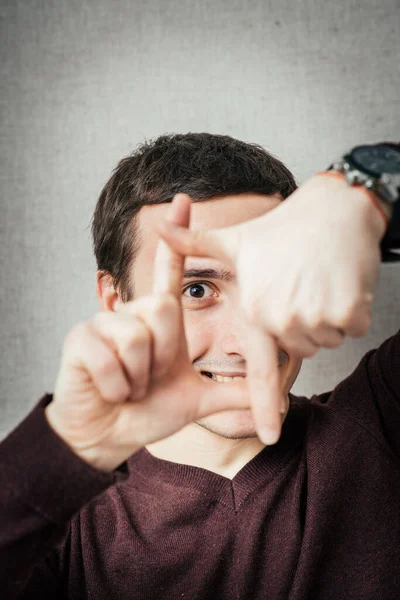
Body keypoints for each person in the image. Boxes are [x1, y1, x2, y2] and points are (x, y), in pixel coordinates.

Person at [1, 133, 399, 600]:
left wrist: (361, 190)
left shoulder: (380, 419)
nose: (246, 343)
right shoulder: (58, 519)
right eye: (197, 290)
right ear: (115, 300)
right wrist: (66, 451)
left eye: (267, 284)